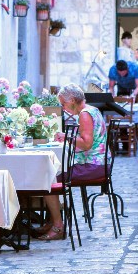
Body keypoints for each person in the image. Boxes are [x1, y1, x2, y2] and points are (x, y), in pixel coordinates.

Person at [37, 84, 107, 240]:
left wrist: (67, 137)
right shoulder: (92, 110)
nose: (63, 108)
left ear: (73, 100)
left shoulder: (84, 114)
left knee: (47, 179)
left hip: (94, 165)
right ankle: (52, 220)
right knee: (51, 174)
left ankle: (57, 226)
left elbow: (87, 143)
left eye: (64, 104)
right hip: (98, 164)